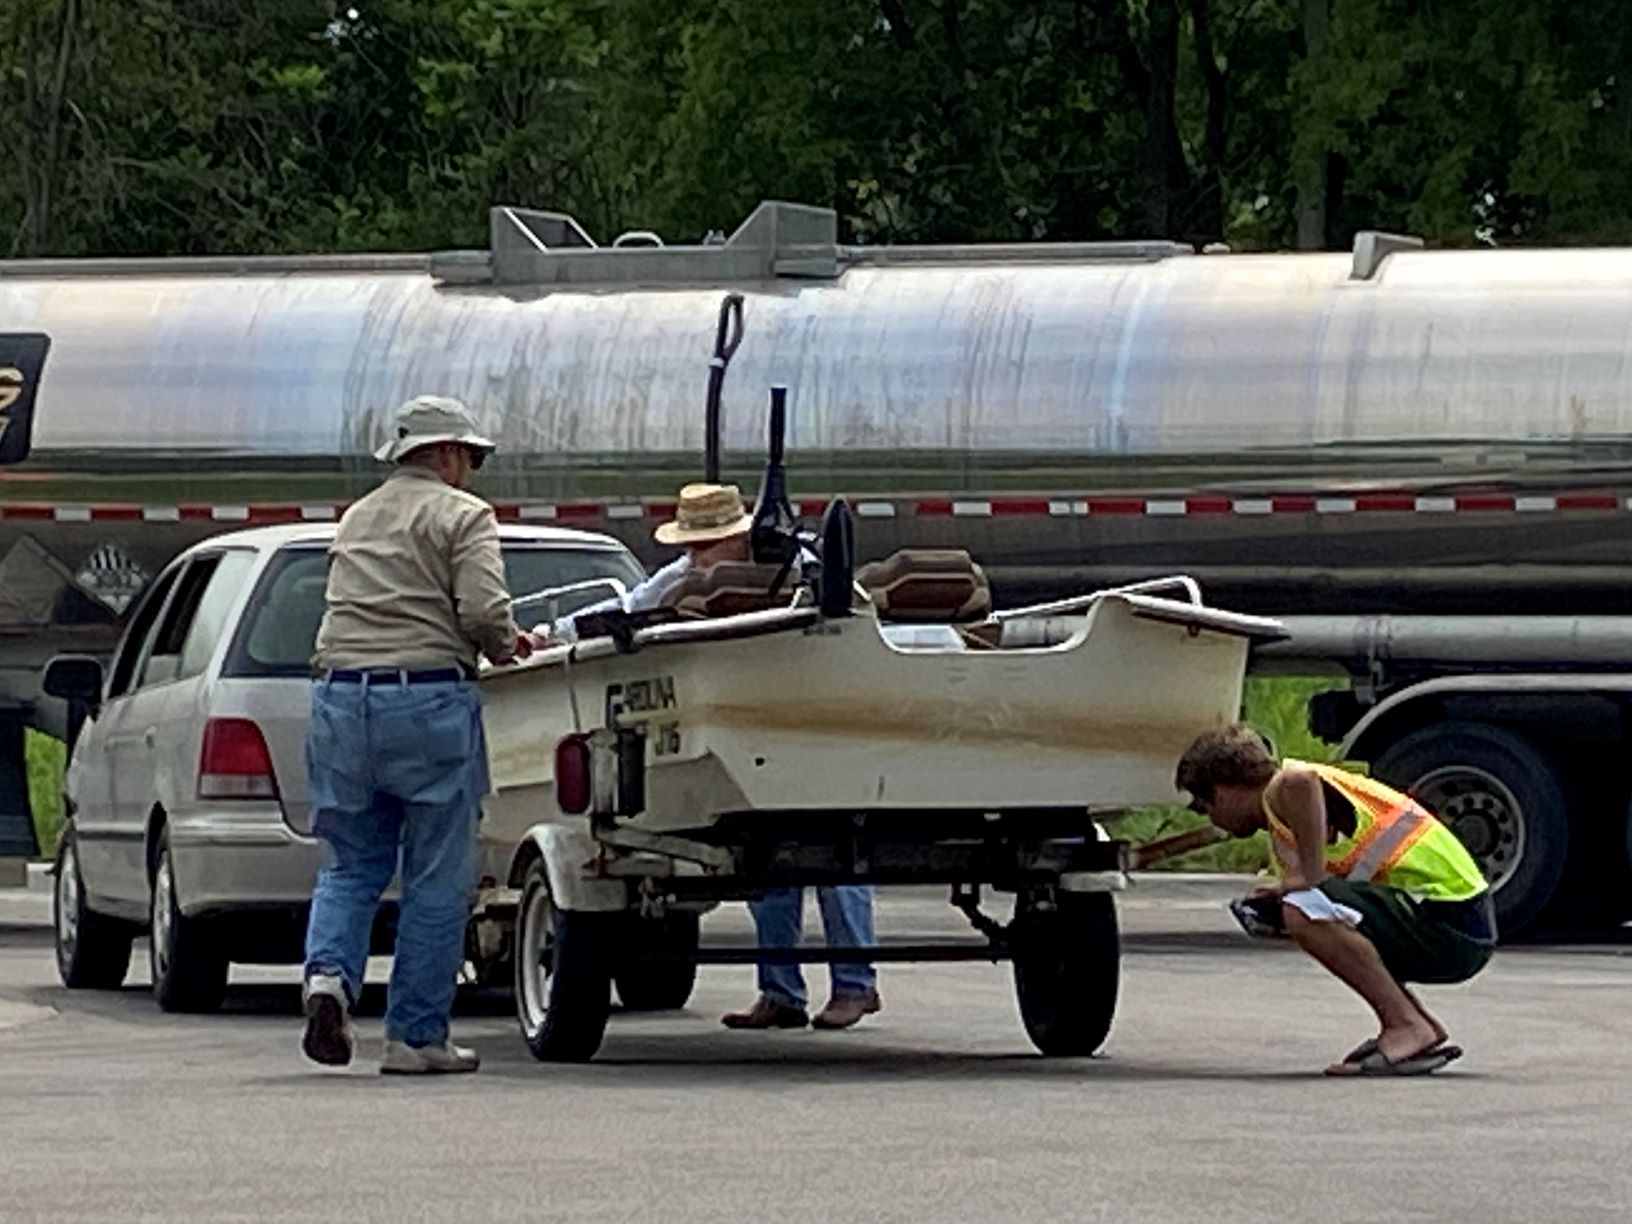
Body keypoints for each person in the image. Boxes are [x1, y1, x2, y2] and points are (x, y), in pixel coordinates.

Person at [544, 482, 882, 1031]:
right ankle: (782, 991)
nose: (694, 557)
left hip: (819, 724)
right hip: (753, 731)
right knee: (772, 865)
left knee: (839, 857)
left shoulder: (805, 566)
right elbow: (629, 607)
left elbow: (857, 617)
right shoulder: (687, 577)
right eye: (692, 546)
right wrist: (554, 633)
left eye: (705, 546)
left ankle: (855, 984)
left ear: (735, 537)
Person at [300, 395, 533, 1075]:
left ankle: (327, 980)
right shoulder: (463, 515)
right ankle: (415, 1038)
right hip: (427, 698)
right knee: (437, 875)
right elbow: (485, 609)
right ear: (450, 453)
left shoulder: (357, 518)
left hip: (341, 699)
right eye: (472, 457)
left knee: (350, 863)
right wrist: (506, 646)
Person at [1176, 724, 1495, 1077]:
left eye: (1203, 806)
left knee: (1306, 908)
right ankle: (1417, 1023)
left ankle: (1405, 1024)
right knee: (1303, 907)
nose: (1212, 819)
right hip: (1455, 922)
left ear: (1222, 791)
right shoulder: (1283, 823)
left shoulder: (1279, 788)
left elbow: (1301, 781)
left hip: (1450, 921)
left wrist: (1307, 878)